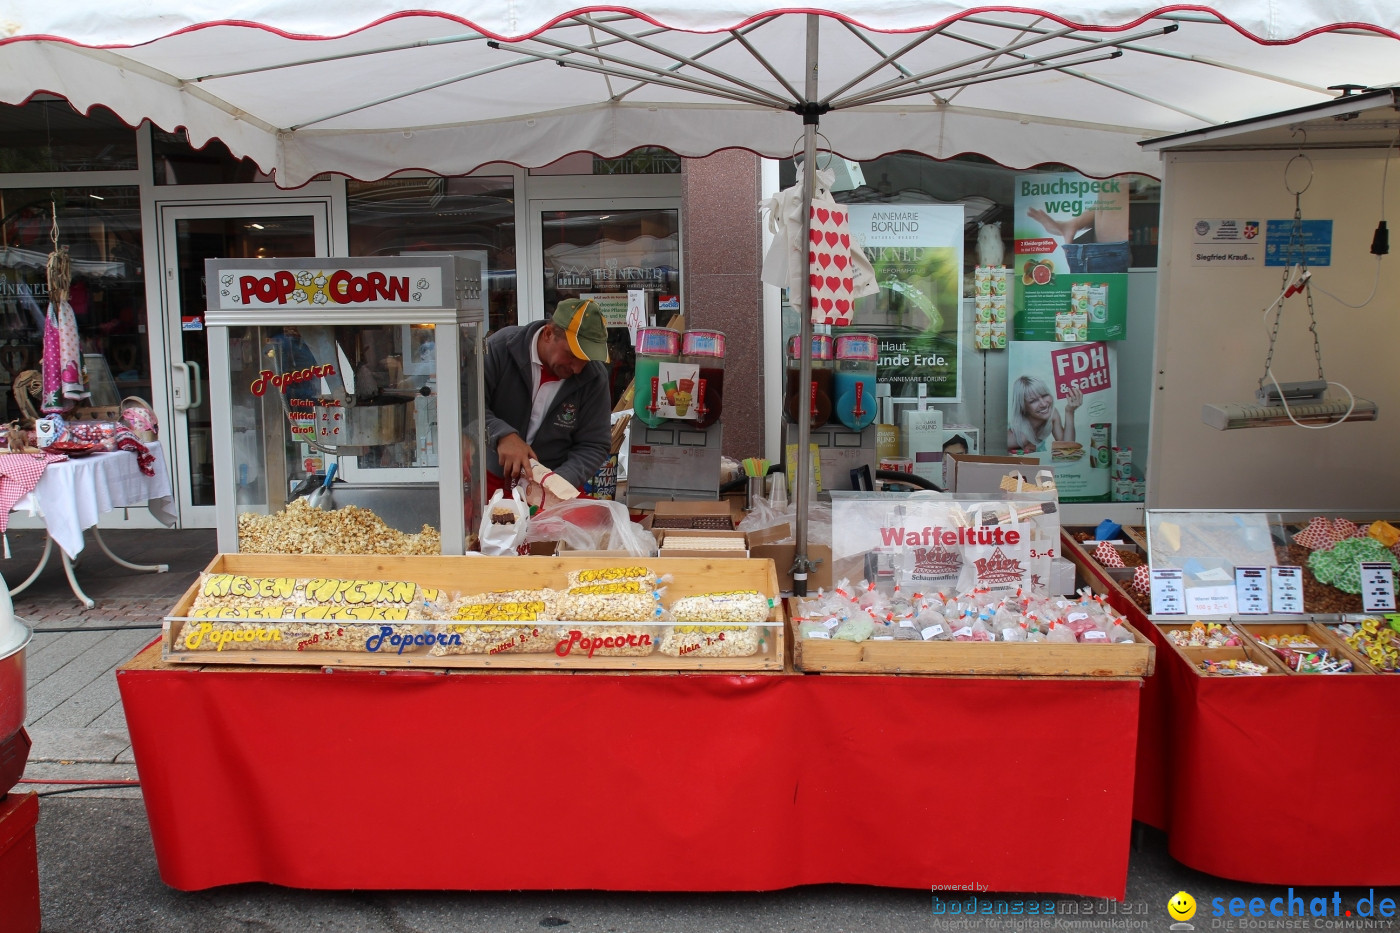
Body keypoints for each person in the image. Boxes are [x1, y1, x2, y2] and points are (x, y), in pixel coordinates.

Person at [482, 298, 611, 493]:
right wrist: (501, 435)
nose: (577, 368)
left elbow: (594, 444)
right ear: (548, 333)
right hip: (491, 479)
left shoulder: (594, 376)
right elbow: (465, 407)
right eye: (572, 355)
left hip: (556, 485)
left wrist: (557, 482)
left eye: (586, 360)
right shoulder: (499, 348)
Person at [1007, 375, 1081, 454]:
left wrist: (1069, 411)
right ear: (1023, 407)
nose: (1043, 404)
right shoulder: (1018, 437)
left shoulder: (1052, 414)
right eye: (1033, 401)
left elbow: (1068, 449)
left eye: (1044, 395)